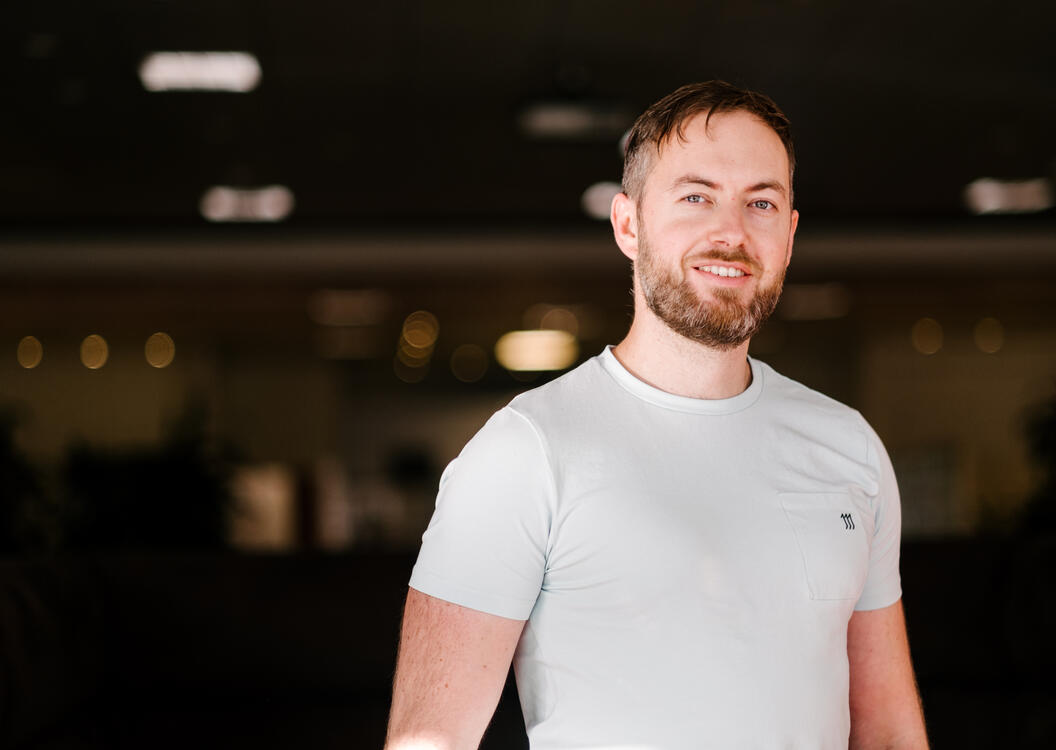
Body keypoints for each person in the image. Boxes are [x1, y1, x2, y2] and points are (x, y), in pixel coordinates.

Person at [385, 80, 928, 750]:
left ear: (789, 235)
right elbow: (429, 740)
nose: (731, 232)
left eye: (760, 202)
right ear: (628, 224)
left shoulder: (848, 446)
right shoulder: (525, 451)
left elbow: (889, 732)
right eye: (695, 197)